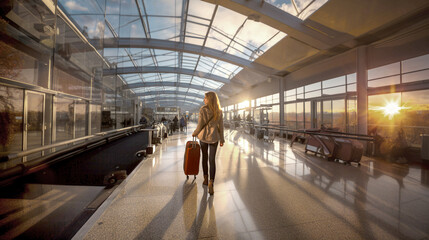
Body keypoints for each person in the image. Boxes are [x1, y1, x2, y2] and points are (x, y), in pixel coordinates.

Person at [192, 91, 225, 195]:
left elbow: (200, 125)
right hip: (214, 138)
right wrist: (222, 139)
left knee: (204, 158)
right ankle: (211, 182)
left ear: (209, 99)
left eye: (205, 98)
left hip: (204, 138)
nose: (204, 100)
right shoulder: (219, 111)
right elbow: (221, 127)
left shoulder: (203, 109)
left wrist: (195, 133)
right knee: (212, 160)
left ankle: (205, 179)